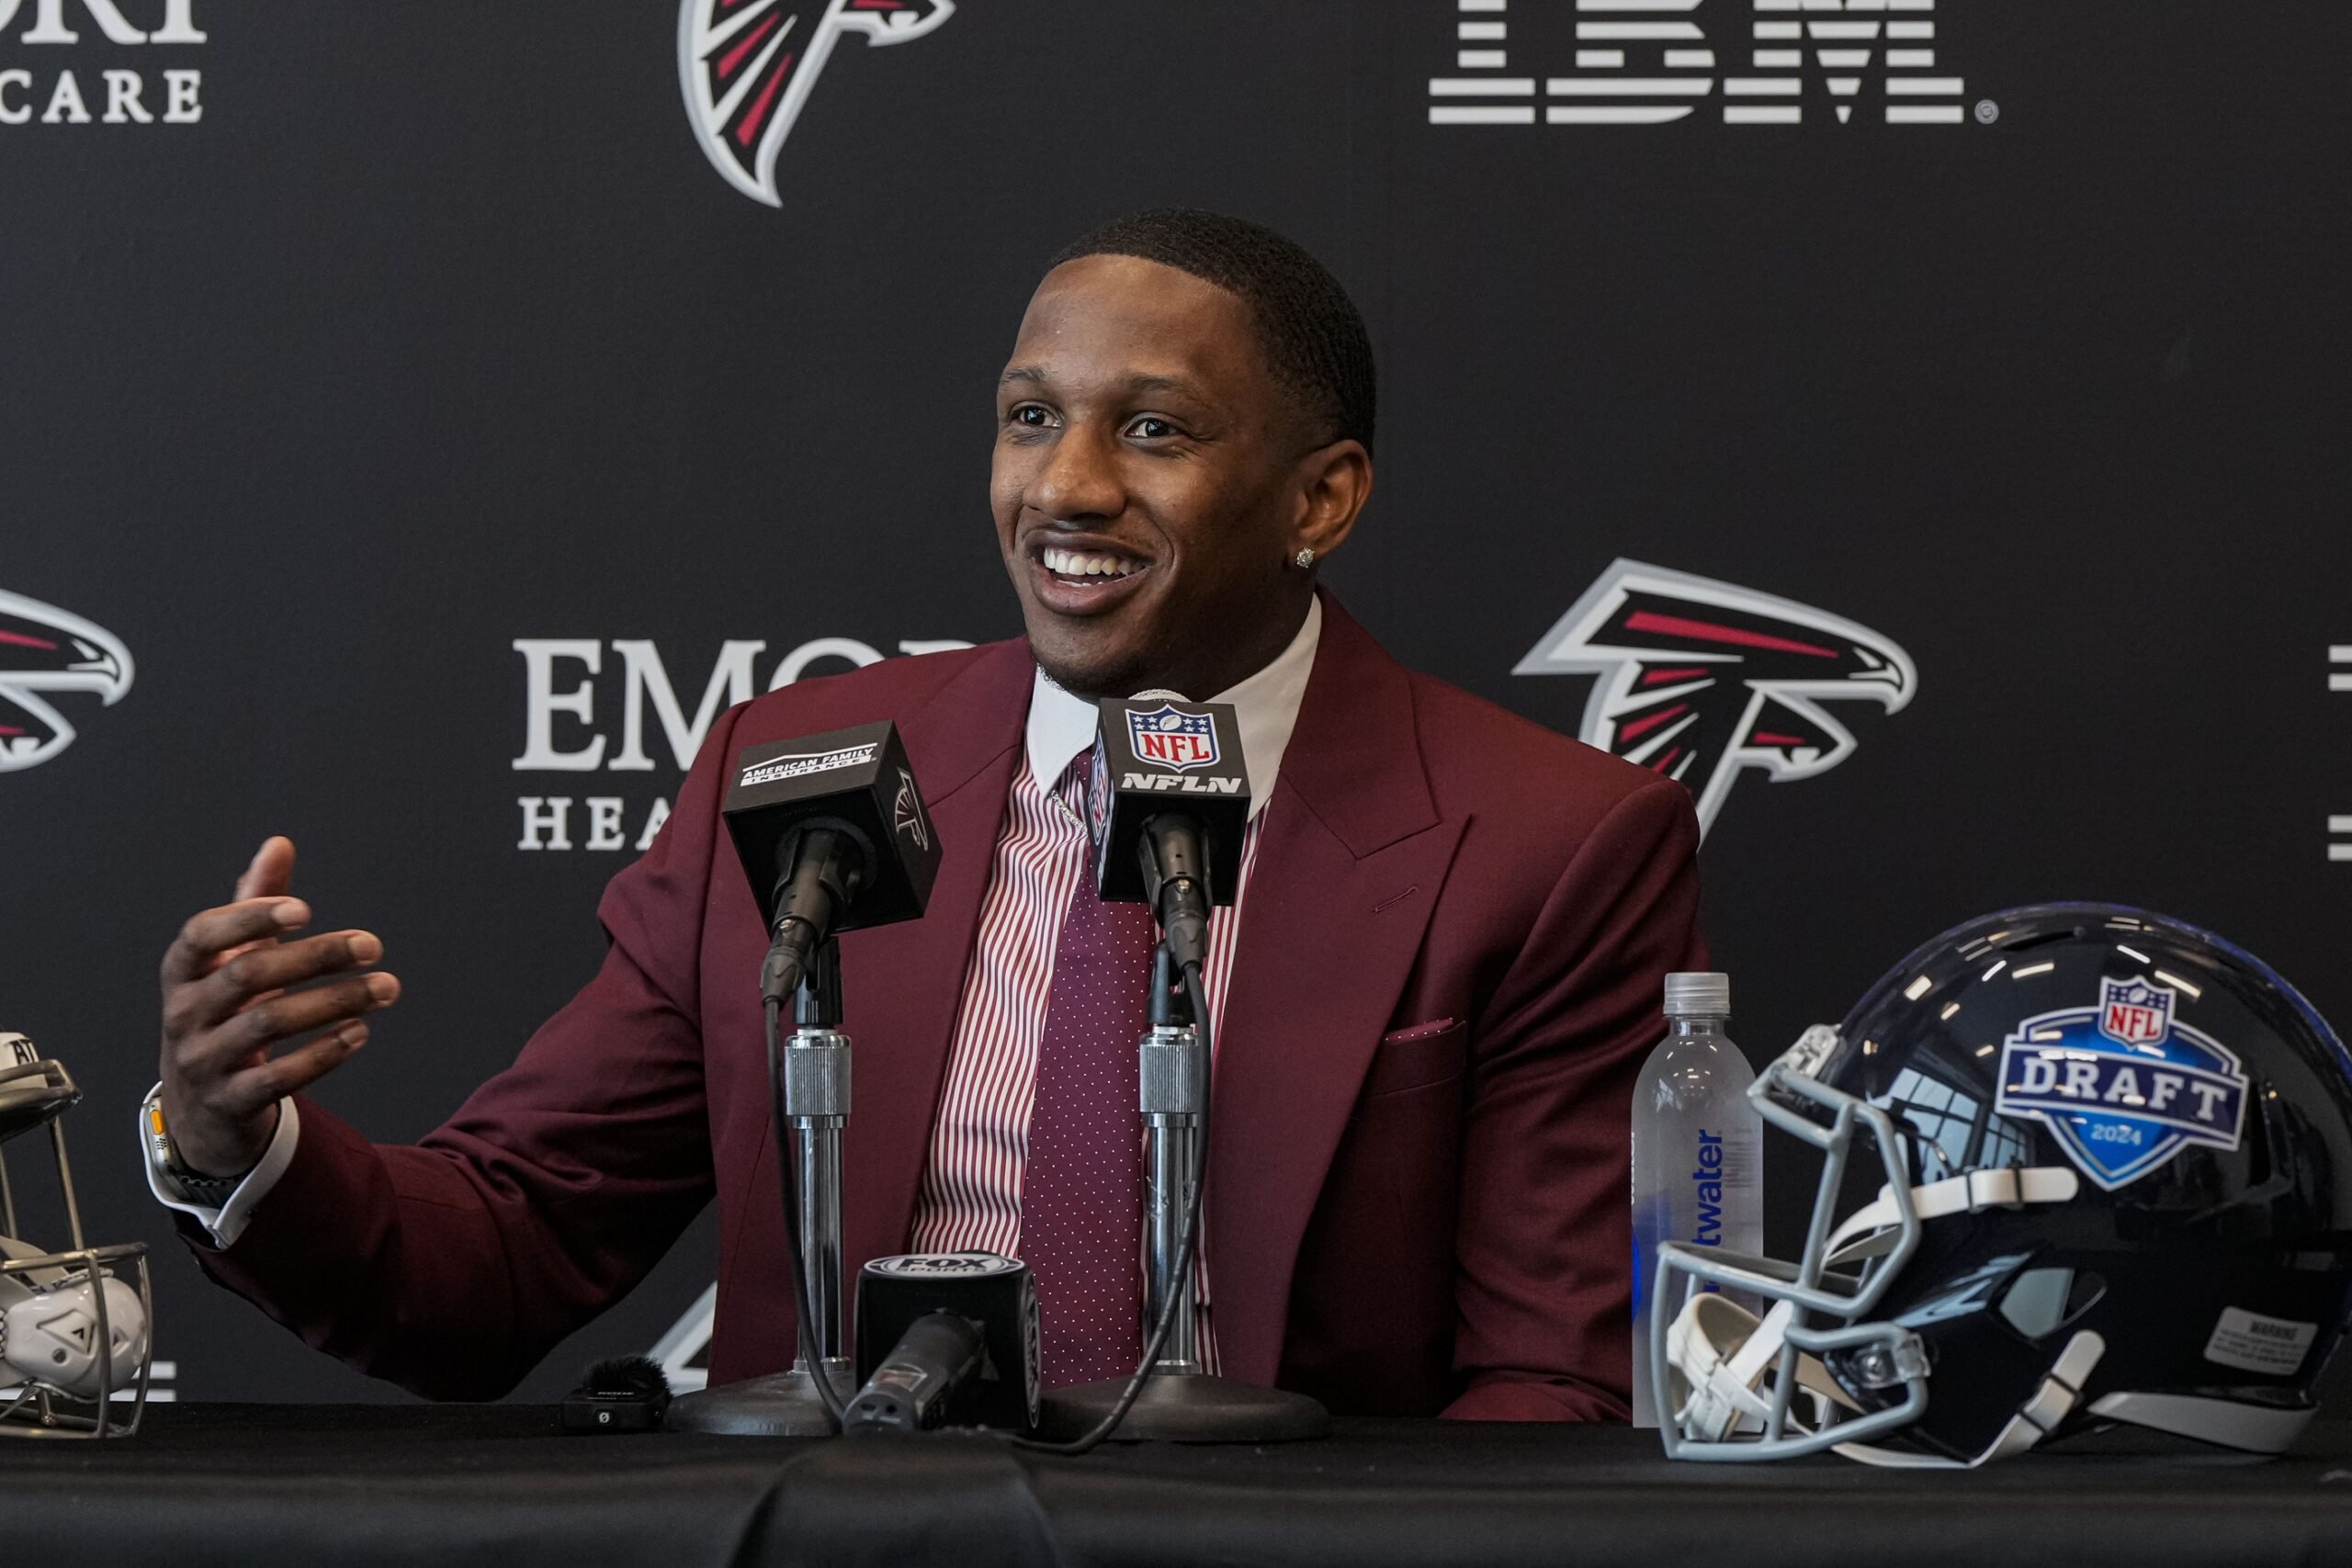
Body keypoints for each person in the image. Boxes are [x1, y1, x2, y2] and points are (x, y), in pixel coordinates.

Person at [149, 210, 1704, 1419]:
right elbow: (508, 1250)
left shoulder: (1549, 845)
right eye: (1032, 418)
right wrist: (243, 1144)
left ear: (1321, 499)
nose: (1067, 489)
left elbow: (1549, 1400)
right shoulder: (800, 768)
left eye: (1153, 431)